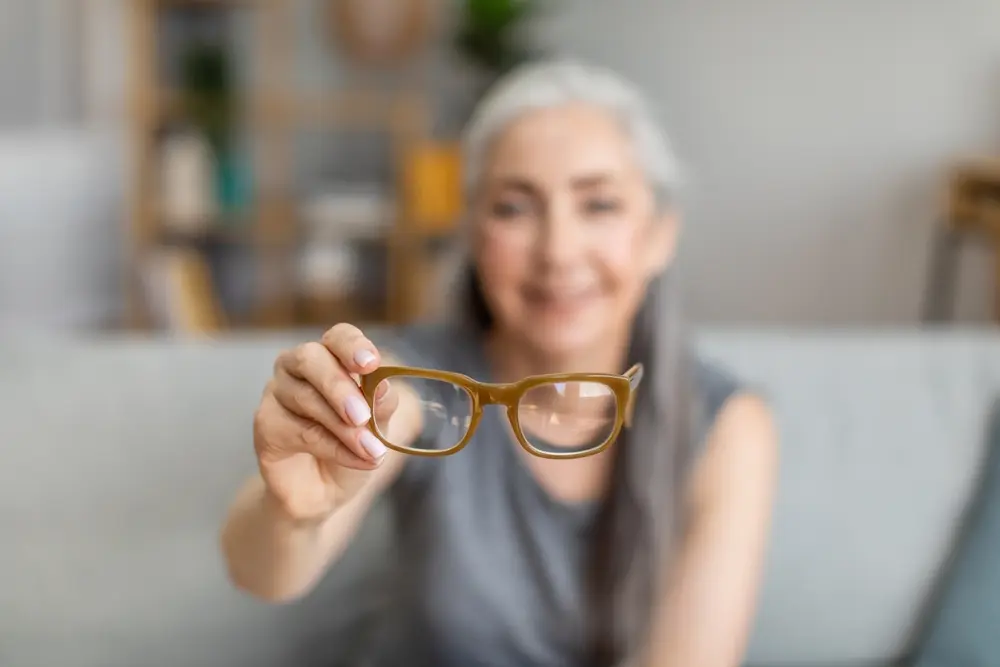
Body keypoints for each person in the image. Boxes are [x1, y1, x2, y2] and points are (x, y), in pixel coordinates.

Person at [220, 59, 779, 667]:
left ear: (659, 236)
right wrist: (294, 511)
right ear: (473, 235)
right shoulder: (416, 387)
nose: (559, 252)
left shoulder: (725, 426)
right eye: (514, 208)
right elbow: (264, 575)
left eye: (599, 206)